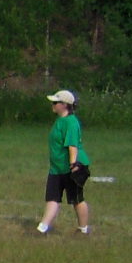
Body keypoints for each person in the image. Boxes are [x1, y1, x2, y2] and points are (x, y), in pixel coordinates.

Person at [37, 89, 91, 235]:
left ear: (65, 105)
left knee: (76, 199)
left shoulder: (71, 122)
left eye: (55, 102)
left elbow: (72, 144)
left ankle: (83, 229)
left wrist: (73, 165)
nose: (53, 105)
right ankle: (43, 227)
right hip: (57, 167)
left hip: (71, 167)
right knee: (52, 197)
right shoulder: (60, 120)